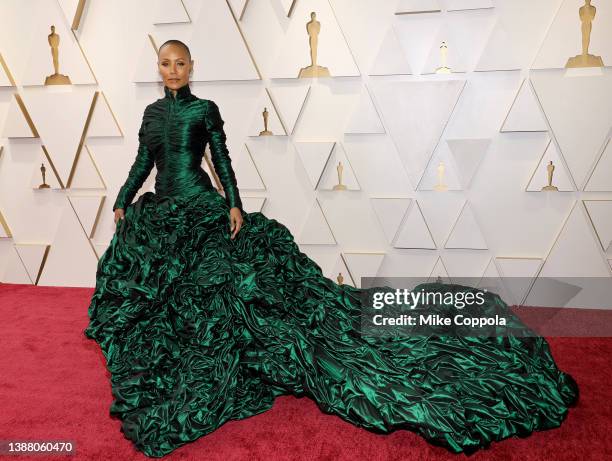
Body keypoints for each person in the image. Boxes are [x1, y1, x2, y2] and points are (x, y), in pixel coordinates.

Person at [84, 39, 579, 458]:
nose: (173, 70)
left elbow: (223, 161)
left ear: (191, 68)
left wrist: (234, 205)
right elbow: (142, 162)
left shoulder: (203, 110)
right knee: (161, 293)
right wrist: (124, 201)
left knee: (240, 292)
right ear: (159, 69)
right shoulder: (151, 114)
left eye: (180, 63)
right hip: (164, 215)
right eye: (165, 63)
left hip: (203, 209)